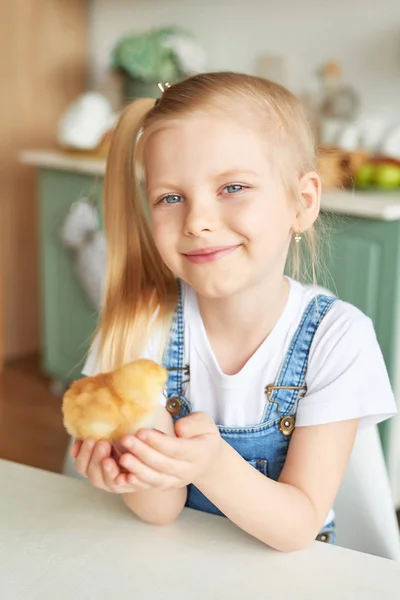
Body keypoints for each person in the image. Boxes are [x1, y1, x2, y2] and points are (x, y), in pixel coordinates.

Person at [71, 72, 396, 552]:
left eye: (233, 187)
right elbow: (160, 512)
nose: (197, 221)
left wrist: (209, 463)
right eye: (171, 198)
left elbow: (296, 527)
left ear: (302, 202)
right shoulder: (139, 328)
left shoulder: (337, 339)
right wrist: (136, 471)